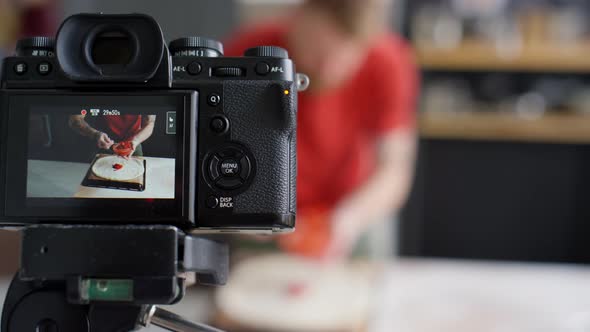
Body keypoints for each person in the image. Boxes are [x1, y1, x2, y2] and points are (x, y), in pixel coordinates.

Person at [225, 0, 419, 260]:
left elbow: (394, 170)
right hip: (259, 225)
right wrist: (236, 208)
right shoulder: (248, 52)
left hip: (350, 221)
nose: (327, 70)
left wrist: (348, 219)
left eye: (343, 59)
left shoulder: (391, 61)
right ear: (299, 18)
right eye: (317, 54)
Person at [68, 114, 156, 158]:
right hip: (103, 143)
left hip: (133, 145)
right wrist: (95, 134)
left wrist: (136, 140)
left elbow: (150, 123)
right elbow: (74, 120)